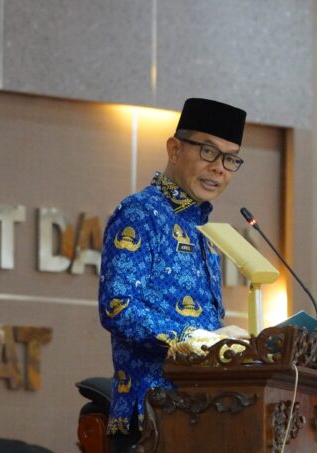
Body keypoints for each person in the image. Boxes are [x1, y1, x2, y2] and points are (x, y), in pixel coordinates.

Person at [98, 98, 250, 452]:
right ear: (175, 149)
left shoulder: (202, 228)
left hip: (204, 416)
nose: (219, 168)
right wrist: (193, 337)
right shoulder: (140, 213)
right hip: (150, 421)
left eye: (230, 159)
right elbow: (118, 308)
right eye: (209, 152)